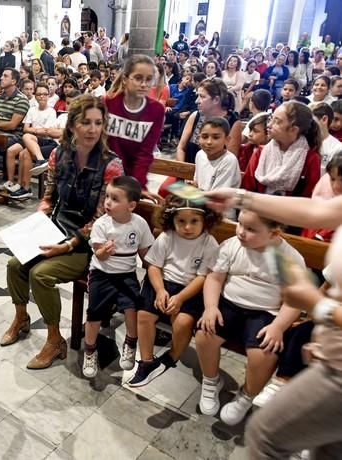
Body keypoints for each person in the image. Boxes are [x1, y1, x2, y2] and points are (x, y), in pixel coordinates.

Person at [1, 95, 124, 369]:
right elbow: (49, 195)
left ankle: (55, 341)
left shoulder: (111, 164)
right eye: (85, 122)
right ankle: (21, 318)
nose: (93, 129)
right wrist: (40, 214)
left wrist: (69, 244)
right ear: (72, 126)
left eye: (98, 123)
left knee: (40, 274)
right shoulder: (59, 154)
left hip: (88, 243)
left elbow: (103, 217)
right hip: (56, 230)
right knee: (14, 264)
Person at [195, 209, 305, 426]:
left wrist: (279, 327)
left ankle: (246, 396)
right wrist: (210, 307)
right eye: (240, 224)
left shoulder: (289, 259)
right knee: (204, 335)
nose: (241, 233)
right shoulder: (231, 245)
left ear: (274, 234)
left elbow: (294, 301)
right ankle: (211, 380)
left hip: (266, 311)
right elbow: (215, 279)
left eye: (251, 229)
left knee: (264, 353)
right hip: (229, 303)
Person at [128, 196, 219, 387]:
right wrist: (160, 290)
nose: (187, 227)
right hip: (162, 282)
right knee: (144, 315)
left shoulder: (208, 243)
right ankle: (146, 362)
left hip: (190, 288)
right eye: (181, 221)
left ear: (205, 220)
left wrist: (180, 298)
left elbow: (203, 277)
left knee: (183, 322)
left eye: (194, 221)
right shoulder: (167, 236)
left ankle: (171, 357)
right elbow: (153, 266)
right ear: (172, 220)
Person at [81, 176, 154, 378]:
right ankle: (89, 350)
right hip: (101, 274)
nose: (107, 203)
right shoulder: (102, 225)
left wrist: (155, 269)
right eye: (107, 197)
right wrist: (104, 251)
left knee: (132, 308)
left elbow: (145, 253)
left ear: (131, 205)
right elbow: (98, 254)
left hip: (126, 274)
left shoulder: (139, 224)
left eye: (114, 199)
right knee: (94, 313)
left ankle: (130, 343)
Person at [104, 54, 165, 188]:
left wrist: (138, 185)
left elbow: (145, 153)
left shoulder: (156, 110)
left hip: (130, 178)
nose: (144, 84)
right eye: (138, 78)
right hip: (102, 172)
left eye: (149, 79)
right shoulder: (108, 103)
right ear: (125, 79)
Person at [242, 101, 321, 199]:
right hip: (258, 209)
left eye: (277, 122)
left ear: (293, 130)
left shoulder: (310, 159)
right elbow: (247, 188)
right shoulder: (260, 152)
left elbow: (308, 198)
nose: (269, 125)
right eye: (271, 119)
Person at [6, 83, 60, 200]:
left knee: (25, 152)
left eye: (44, 94)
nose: (42, 96)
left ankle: (25, 187)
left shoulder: (51, 111)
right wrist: (36, 130)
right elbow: (26, 128)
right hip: (33, 138)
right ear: (35, 96)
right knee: (13, 149)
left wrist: (33, 130)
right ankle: (16, 183)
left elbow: (46, 131)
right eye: (39, 94)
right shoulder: (32, 110)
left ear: (48, 96)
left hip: (46, 141)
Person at [176, 79, 243, 163]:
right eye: (198, 96)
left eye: (202, 97)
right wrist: (182, 171)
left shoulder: (233, 122)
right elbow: (181, 148)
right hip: (188, 171)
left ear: (216, 100)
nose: (197, 101)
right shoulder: (195, 116)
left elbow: (230, 160)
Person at [309, 101, 342, 175]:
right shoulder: (303, 142)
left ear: (324, 119)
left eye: (311, 121)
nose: (339, 124)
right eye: (336, 119)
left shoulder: (338, 148)